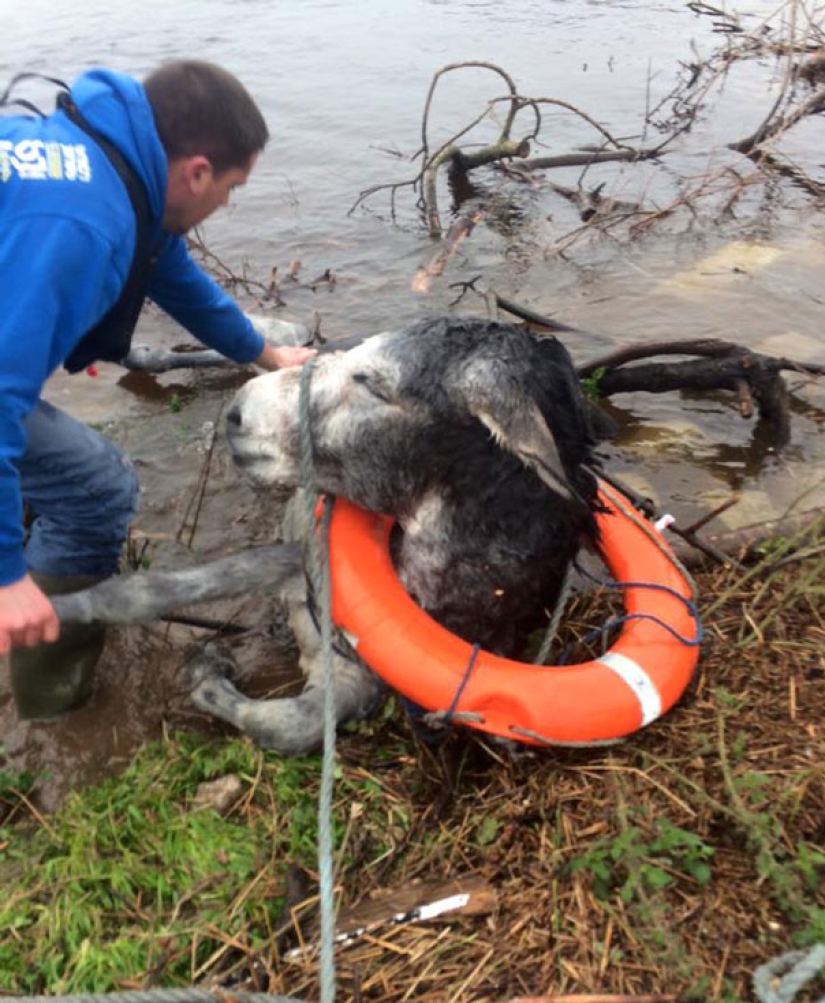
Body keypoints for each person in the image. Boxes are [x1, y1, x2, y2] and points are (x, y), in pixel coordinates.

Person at [0, 60, 316, 718]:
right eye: (230, 188)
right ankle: (52, 702)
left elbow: (179, 282)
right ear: (196, 171)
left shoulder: (111, 166)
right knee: (98, 487)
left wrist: (264, 352)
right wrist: (7, 576)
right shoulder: (81, 221)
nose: (225, 205)